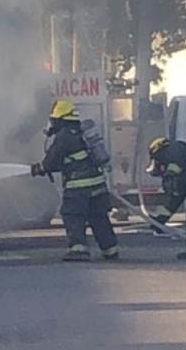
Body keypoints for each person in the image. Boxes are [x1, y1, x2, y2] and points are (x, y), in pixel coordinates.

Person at [31, 99, 119, 262]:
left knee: (72, 215)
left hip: (78, 187)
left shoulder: (63, 136)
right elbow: (71, 160)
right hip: (98, 185)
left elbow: (52, 160)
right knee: (99, 217)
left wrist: (40, 168)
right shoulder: (81, 132)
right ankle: (110, 250)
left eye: (54, 119)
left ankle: (79, 250)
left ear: (60, 119)